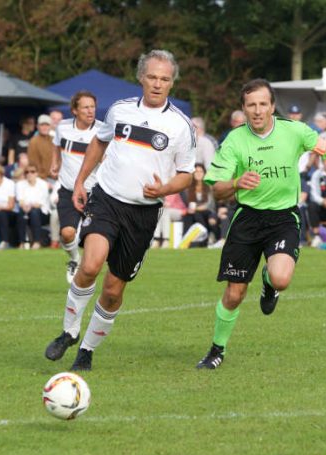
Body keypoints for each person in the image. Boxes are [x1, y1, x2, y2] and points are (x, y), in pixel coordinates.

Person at [196, 78, 326, 370]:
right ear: (244, 109)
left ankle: (269, 283)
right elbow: (217, 190)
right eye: (251, 105)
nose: (258, 110)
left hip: (283, 217)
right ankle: (216, 349)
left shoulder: (295, 131)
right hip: (247, 218)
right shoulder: (234, 140)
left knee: (281, 278)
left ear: (273, 106)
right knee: (235, 293)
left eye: (263, 104)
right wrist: (237, 182)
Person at [44, 49, 196, 371]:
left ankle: (86, 350)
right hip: (108, 200)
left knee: (113, 290)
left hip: (143, 214)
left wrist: (165, 189)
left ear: (172, 83)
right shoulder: (119, 110)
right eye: (152, 77)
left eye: (164, 79)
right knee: (90, 265)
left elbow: (187, 174)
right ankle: (69, 331)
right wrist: (82, 180)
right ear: (141, 77)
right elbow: (99, 142)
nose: (157, 84)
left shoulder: (181, 126)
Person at [50, 90, 104, 282]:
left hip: (96, 193)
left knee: (94, 240)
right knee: (67, 233)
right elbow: (56, 145)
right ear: (74, 110)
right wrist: (55, 162)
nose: (91, 111)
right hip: (68, 190)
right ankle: (74, 260)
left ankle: (89, 271)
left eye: (93, 107)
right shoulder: (62, 128)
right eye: (86, 107)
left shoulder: (103, 131)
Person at [183, 163, 220, 246]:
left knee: (200, 214)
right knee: (191, 215)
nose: (199, 173)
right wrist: (193, 209)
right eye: (196, 171)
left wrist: (196, 208)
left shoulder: (209, 186)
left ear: (204, 173)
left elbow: (209, 205)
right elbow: (187, 203)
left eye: (201, 171)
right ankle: (188, 240)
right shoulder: (188, 188)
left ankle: (207, 236)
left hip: (208, 211)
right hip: (194, 213)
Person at [16, 164, 50, 249]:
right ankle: (22, 242)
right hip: (26, 209)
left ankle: (37, 242)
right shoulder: (20, 184)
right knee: (21, 213)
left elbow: (40, 203)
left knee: (34, 212)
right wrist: (24, 206)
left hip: (42, 213)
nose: (29, 174)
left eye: (32, 171)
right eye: (27, 172)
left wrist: (29, 205)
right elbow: (20, 201)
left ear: (37, 173)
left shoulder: (43, 184)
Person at [27, 115, 54, 179]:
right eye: (42, 125)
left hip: (55, 177)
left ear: (50, 127)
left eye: (47, 125)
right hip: (40, 178)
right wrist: (42, 178)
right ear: (37, 126)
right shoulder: (34, 141)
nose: (45, 127)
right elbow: (33, 163)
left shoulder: (54, 140)